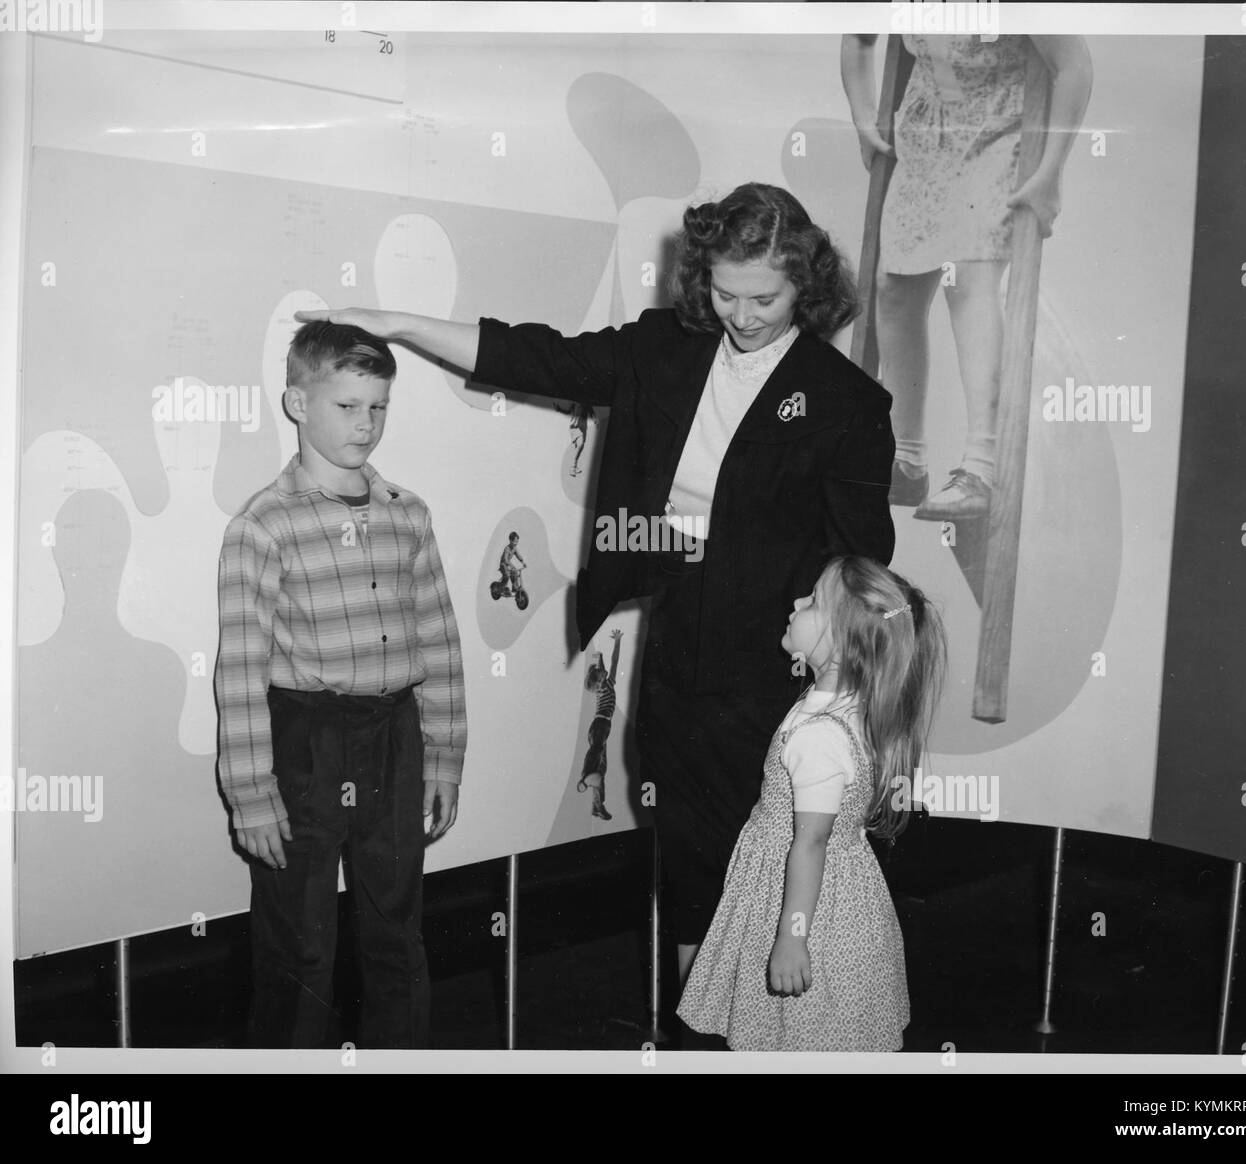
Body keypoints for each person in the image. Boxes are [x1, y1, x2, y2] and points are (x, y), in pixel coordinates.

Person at [295, 182, 896, 1005]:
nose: (744, 314)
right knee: (687, 850)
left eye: (767, 296)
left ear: (808, 287)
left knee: (759, 853)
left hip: (776, 655)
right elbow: (536, 355)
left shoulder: (847, 401)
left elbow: (863, 561)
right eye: (726, 293)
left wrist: (846, 689)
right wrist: (401, 326)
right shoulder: (667, 348)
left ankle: (767, 1034)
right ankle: (703, 1033)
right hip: (679, 632)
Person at [214, 321, 467, 1048]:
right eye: (347, 406)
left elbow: (441, 643)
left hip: (395, 736)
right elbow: (238, 673)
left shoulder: (407, 513)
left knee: (396, 929)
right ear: (297, 403)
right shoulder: (262, 526)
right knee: (300, 943)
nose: (366, 424)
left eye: (378, 407)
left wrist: (445, 755)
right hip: (307, 741)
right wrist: (252, 793)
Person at [677, 556, 946, 1050]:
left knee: (798, 1031)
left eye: (814, 602)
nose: (797, 603)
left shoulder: (820, 734)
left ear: (843, 643)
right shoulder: (848, 707)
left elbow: (810, 843)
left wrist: (793, 937)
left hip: (804, 900)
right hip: (840, 895)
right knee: (818, 1031)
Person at [842, 33, 1093, 517]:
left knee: (969, 280)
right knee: (893, 286)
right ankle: (907, 460)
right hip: (925, 127)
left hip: (1001, 127)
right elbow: (858, 35)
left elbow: (1073, 66)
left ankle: (982, 467)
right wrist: (861, 118)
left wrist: (1051, 172)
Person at [578, 629, 622, 821]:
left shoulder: (608, 682)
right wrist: (600, 660)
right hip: (599, 725)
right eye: (602, 674)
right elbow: (604, 667)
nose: (606, 673)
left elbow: (613, 663)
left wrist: (617, 643)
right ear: (599, 682)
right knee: (596, 751)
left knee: (601, 770)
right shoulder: (603, 686)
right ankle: (585, 775)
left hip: (603, 727)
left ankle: (598, 806)